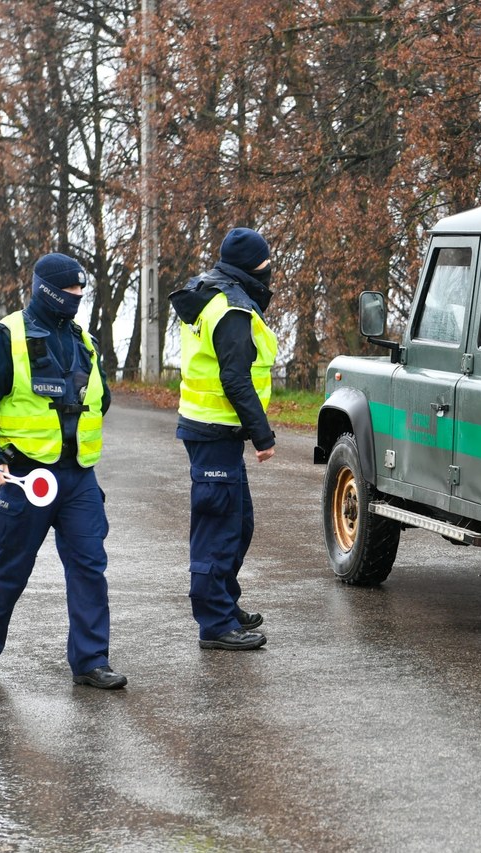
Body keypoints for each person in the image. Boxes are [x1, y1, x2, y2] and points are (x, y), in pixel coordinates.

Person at [0, 252, 126, 689]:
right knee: (12, 564)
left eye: (81, 292)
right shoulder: (6, 337)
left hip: (78, 477)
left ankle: (91, 661)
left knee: (90, 566)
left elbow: (101, 397)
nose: (77, 298)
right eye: (71, 291)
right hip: (25, 477)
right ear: (48, 290)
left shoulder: (82, 339)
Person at [169, 227, 278, 651]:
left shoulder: (208, 290)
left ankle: (224, 604)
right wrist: (262, 435)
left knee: (239, 523)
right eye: (266, 266)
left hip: (212, 428)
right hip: (214, 430)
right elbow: (234, 378)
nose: (271, 272)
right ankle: (214, 623)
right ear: (253, 267)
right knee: (217, 528)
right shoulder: (232, 308)